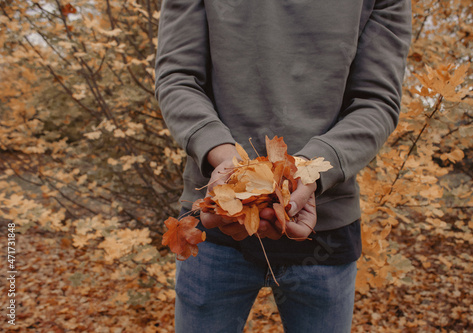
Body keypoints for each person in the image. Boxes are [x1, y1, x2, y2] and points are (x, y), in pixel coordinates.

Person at [155, 0, 412, 331]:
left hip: (323, 230)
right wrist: (225, 159)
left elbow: (376, 101)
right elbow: (178, 77)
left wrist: (306, 173)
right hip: (215, 221)